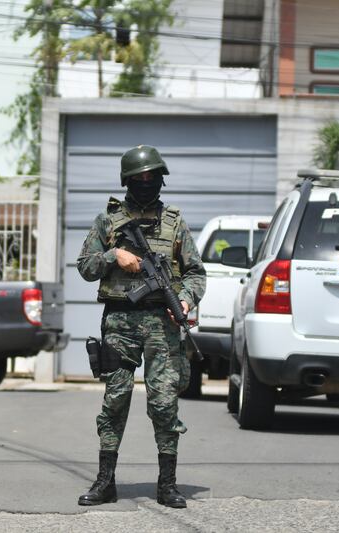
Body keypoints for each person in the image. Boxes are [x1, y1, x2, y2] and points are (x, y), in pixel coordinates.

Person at [76, 145, 206, 509]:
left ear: (161, 180)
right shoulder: (107, 222)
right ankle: (105, 482)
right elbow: (85, 267)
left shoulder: (175, 222)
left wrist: (185, 300)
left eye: (152, 177)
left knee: (164, 403)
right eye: (140, 178)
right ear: (127, 181)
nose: (146, 182)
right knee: (115, 400)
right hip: (120, 322)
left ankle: (168, 484)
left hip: (162, 325)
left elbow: (196, 273)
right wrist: (113, 255)